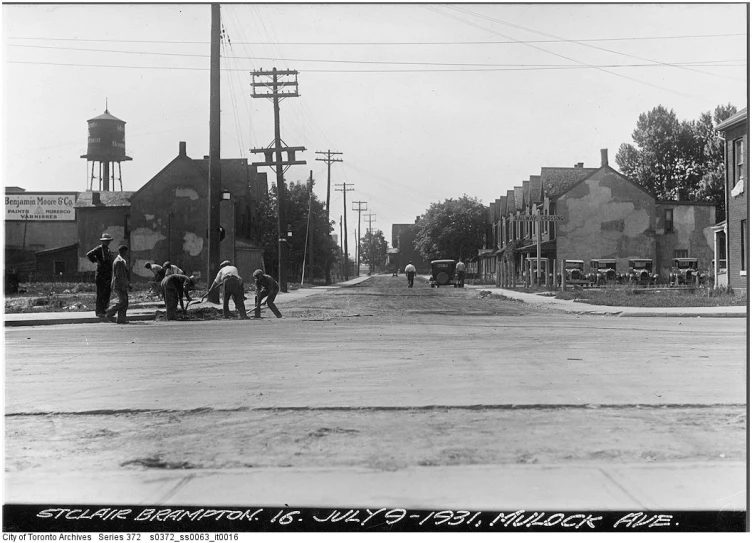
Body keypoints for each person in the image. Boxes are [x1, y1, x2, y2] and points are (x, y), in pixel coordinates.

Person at [86, 232, 115, 319]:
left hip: (108, 275)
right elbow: (89, 254)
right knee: (101, 293)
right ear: (102, 241)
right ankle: (99, 311)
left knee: (107, 293)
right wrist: (96, 261)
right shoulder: (99, 249)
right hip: (101, 275)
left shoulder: (108, 250)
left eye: (108, 241)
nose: (107, 242)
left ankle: (105, 310)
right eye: (106, 241)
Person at [105, 245, 130, 324]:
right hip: (119, 285)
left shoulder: (121, 260)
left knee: (124, 302)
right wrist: (124, 285)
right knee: (122, 301)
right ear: (123, 252)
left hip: (120, 284)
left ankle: (121, 319)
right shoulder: (119, 261)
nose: (126, 253)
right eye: (125, 252)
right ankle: (109, 312)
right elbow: (120, 275)